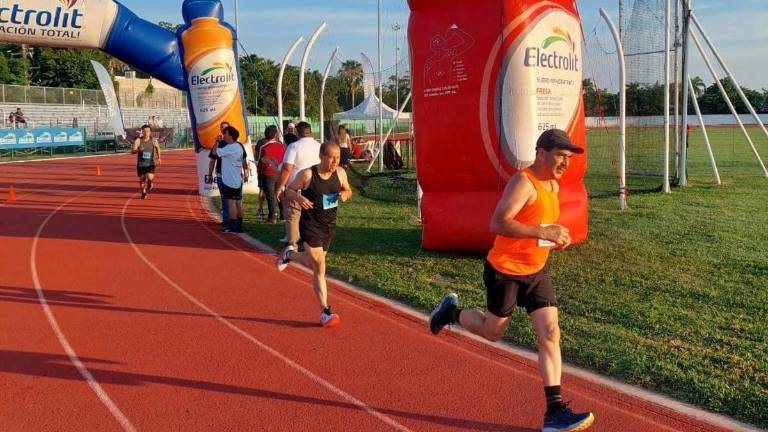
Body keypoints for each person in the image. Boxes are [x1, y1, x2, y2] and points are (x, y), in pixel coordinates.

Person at [427, 129, 594, 432]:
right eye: (560, 155)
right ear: (541, 153)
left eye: (568, 158)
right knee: (493, 332)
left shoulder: (552, 186)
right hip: (505, 271)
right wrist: (544, 232)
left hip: (536, 271)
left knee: (551, 334)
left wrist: (555, 235)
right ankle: (450, 312)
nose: (565, 163)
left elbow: (537, 223)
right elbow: (498, 222)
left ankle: (554, 412)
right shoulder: (523, 182)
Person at [276, 140, 353, 327]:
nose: (335, 162)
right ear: (321, 157)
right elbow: (289, 191)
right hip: (310, 226)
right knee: (320, 265)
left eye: (338, 158)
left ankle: (290, 254)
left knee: (313, 262)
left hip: (328, 226)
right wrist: (299, 196)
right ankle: (325, 311)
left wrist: (345, 195)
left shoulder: (340, 173)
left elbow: (348, 190)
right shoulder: (308, 174)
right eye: (331, 158)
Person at [276, 121, 321, 249]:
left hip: (296, 188)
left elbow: (287, 168)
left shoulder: (294, 146)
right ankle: (311, 244)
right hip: (314, 187)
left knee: (293, 217)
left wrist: (280, 187)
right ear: (310, 132)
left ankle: (292, 246)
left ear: (297, 132)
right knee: (311, 218)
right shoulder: (319, 146)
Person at [210, 126, 248, 233]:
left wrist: (217, 141)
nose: (224, 136)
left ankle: (232, 226)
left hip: (229, 180)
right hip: (237, 179)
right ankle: (239, 225)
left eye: (225, 134)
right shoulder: (239, 146)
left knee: (231, 203)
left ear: (230, 135)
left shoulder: (230, 147)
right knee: (238, 202)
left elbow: (214, 153)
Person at [258, 125, 285, 223]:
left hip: (268, 173)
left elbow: (260, 161)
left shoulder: (264, 147)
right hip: (280, 173)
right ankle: (283, 216)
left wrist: (260, 172)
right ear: (275, 134)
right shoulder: (281, 146)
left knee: (271, 196)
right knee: (281, 193)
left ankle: (272, 217)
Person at [207, 121, 231, 227]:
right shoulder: (218, 144)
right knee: (225, 199)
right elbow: (212, 159)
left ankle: (235, 222)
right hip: (221, 175)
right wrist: (209, 174)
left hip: (233, 175)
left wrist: (244, 172)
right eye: (222, 128)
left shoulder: (234, 143)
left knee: (235, 200)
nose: (224, 130)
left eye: (226, 128)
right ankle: (226, 221)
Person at [131, 124, 161, 199]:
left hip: (151, 163)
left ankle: (150, 183)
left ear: (150, 132)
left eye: (148, 131)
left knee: (149, 177)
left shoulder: (153, 140)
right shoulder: (138, 140)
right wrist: (138, 150)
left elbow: (158, 148)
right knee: (142, 179)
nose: (146, 133)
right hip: (141, 164)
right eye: (144, 131)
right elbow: (132, 151)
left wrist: (159, 158)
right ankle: (143, 192)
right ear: (142, 132)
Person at [254, 126, 273, 218]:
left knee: (262, 189)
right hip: (276, 171)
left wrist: (258, 166)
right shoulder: (279, 143)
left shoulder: (261, 143)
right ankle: (278, 212)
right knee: (277, 191)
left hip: (263, 171)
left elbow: (257, 155)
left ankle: (261, 209)